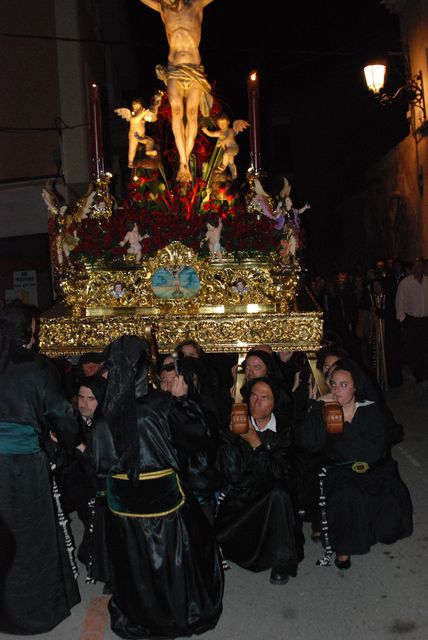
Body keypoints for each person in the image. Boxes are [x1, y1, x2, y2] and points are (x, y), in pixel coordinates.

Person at [95, 335, 223, 638]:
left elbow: (100, 465)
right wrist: (183, 401)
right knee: (189, 545)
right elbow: (200, 436)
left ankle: (141, 613)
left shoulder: (106, 412)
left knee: (136, 560)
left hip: (122, 509)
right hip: (167, 504)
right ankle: (176, 611)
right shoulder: (161, 403)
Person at [0, 303, 80, 634]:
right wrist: (70, 441)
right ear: (29, 332)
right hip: (24, 466)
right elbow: (62, 413)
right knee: (30, 537)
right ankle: (30, 613)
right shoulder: (36, 367)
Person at [295, 360, 413, 570]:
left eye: (343, 385)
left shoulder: (372, 411)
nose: (337, 390)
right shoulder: (326, 411)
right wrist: (316, 406)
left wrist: (342, 442)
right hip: (341, 472)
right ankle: (343, 549)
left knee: (389, 526)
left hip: (374, 470)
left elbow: (373, 451)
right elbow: (310, 444)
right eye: (333, 384)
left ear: (355, 387)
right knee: (345, 494)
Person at [215, 377, 299, 585]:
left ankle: (281, 562)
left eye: (265, 398)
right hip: (241, 503)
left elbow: (279, 474)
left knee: (278, 493)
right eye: (253, 396)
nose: (257, 402)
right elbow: (232, 475)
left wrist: (255, 443)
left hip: (271, 503)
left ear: (274, 403)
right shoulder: (234, 424)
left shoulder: (283, 432)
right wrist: (233, 440)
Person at [139, 0, 215, 182]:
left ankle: (186, 160)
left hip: (194, 69)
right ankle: (183, 162)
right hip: (173, 68)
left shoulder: (195, 5)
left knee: (191, 113)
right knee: (177, 112)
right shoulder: (163, 8)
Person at [395, 259, 428, 385]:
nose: (418, 269)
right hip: (412, 321)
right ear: (412, 268)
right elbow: (400, 302)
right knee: (415, 349)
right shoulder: (405, 283)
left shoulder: (427, 281)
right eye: (415, 267)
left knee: (425, 348)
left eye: (420, 267)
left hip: (425, 320)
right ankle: (418, 374)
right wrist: (403, 320)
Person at [115, 94, 163, 168]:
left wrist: (156, 107)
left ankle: (148, 152)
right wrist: (143, 113)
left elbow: (152, 118)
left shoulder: (142, 116)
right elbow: (134, 120)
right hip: (134, 135)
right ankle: (130, 161)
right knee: (132, 148)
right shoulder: (133, 116)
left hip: (141, 136)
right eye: (135, 108)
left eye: (138, 108)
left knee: (150, 141)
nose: (136, 110)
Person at [202, 114, 249, 180]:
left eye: (224, 123)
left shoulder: (230, 130)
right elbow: (211, 134)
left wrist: (222, 142)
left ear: (228, 122)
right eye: (220, 124)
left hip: (234, 148)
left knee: (226, 155)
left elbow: (229, 138)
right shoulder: (220, 132)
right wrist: (206, 131)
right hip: (228, 149)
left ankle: (223, 166)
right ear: (217, 124)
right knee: (231, 163)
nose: (222, 125)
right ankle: (234, 176)